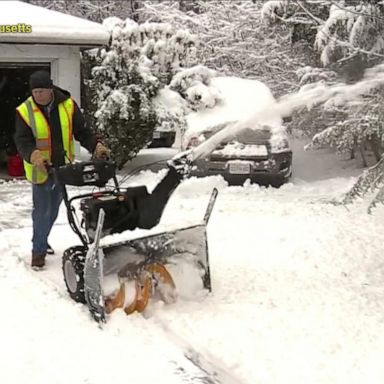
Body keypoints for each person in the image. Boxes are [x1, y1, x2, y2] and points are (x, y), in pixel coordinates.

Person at [14, 70, 110, 269]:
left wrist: (96, 146)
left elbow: (82, 131)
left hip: (63, 167)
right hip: (40, 169)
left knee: (54, 209)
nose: (38, 95)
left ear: (51, 90)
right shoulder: (25, 111)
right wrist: (32, 154)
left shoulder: (68, 105)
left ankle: (42, 238)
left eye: (42, 91)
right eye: (35, 92)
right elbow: (22, 140)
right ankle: (38, 251)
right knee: (41, 210)